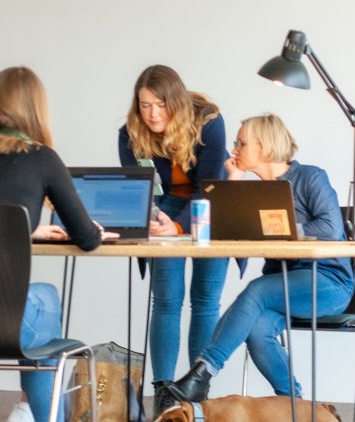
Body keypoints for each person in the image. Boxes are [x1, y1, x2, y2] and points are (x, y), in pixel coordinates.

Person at [0, 66, 117, 422]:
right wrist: (94, 230)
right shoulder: (41, 158)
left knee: (32, 304)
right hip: (6, 320)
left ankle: (25, 410)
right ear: (35, 110)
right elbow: (86, 239)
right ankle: (35, 412)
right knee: (45, 296)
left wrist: (24, 229)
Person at [165, 114, 354, 401]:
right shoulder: (254, 192)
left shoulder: (310, 177)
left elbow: (331, 228)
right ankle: (294, 405)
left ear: (264, 146)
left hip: (328, 282)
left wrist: (282, 229)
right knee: (257, 329)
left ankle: (203, 371)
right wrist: (234, 178)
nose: (234, 149)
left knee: (257, 290)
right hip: (283, 286)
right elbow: (221, 231)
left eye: (241, 143)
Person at [117, 64, 230, 416]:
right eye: (145, 104)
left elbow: (208, 187)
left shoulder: (209, 122)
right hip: (164, 209)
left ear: (176, 102)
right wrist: (156, 221)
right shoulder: (129, 133)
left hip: (210, 205)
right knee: (166, 301)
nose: (152, 114)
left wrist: (179, 227)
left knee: (205, 300)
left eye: (160, 105)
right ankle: (164, 390)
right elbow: (140, 192)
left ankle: (198, 388)